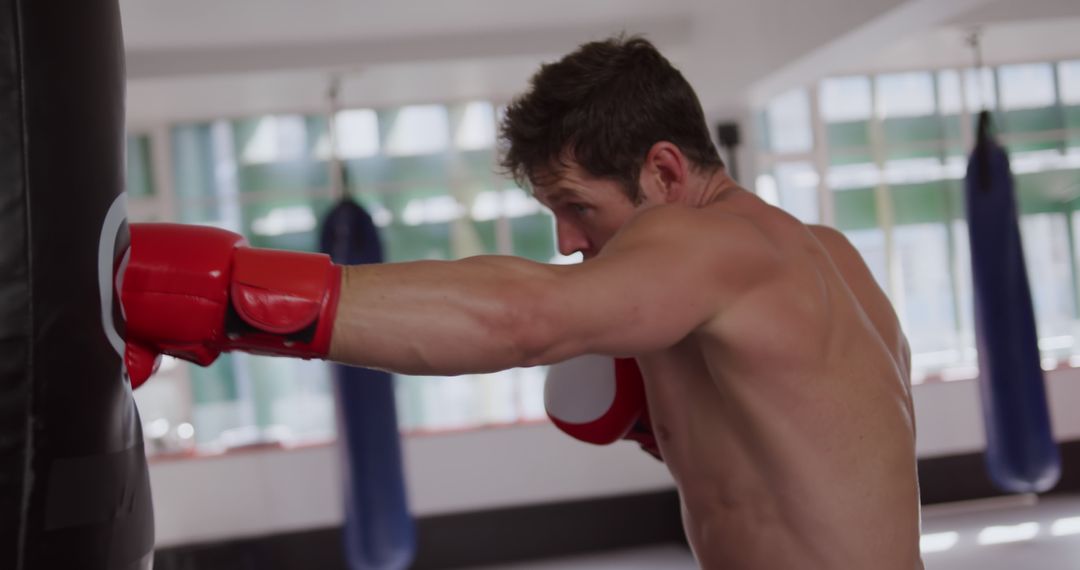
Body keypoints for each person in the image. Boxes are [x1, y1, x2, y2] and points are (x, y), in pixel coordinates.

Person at [120, 35, 922, 568]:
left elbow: (520, 317)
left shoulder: (714, 247)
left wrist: (227, 300)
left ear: (666, 173)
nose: (569, 242)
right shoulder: (824, 259)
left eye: (580, 206)